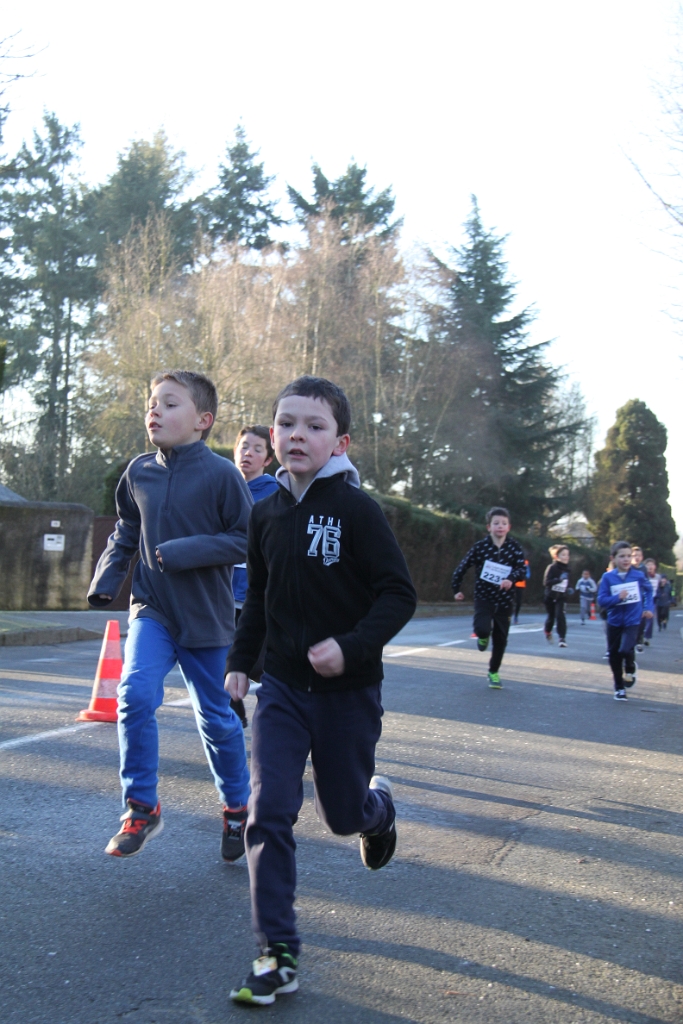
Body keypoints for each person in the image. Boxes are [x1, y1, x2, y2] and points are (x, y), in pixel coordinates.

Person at [225, 376, 416, 1005]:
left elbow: (398, 594)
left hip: (347, 693)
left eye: (314, 425)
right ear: (272, 433)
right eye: (286, 424)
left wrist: (352, 647)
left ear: (341, 442)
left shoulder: (358, 511)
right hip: (281, 689)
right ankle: (276, 952)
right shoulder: (266, 513)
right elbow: (259, 597)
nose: (296, 435)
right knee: (268, 810)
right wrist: (241, 663)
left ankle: (377, 812)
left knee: (341, 815)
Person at [88, 370, 253, 861]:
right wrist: (107, 579)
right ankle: (141, 806)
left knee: (218, 720)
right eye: (152, 403)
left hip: (206, 618)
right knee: (134, 695)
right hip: (153, 610)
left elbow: (247, 540)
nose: (155, 411)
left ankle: (237, 807)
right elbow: (127, 529)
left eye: (170, 403)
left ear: (203, 420)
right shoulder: (139, 472)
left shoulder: (222, 475)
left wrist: (185, 551)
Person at [229, 425, 279, 728]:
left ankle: (281, 718)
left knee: (261, 666)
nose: (248, 453)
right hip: (222, 595)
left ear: (268, 459)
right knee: (225, 663)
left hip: (258, 599)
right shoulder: (223, 486)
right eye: (243, 446)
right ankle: (232, 716)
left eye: (257, 449)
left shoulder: (275, 493)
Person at [451, 507, 526, 688]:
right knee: (482, 628)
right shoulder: (480, 547)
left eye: (504, 523)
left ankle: (493, 672)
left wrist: (511, 579)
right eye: (496, 523)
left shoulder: (514, 547)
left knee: (501, 639)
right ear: (489, 527)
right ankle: (483, 636)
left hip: (505, 600)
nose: (500, 526)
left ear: (509, 527)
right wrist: (456, 589)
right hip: (484, 597)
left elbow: (522, 570)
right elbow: (463, 567)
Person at [597, 541, 654, 701]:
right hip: (614, 621)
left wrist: (648, 608)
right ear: (613, 558)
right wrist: (617, 598)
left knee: (625, 649)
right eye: (622, 556)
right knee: (614, 655)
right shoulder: (608, 577)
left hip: (632, 620)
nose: (626, 559)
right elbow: (602, 600)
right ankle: (619, 688)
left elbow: (649, 591)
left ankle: (630, 666)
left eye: (629, 556)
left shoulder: (638, 575)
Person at [543, 545, 572, 647]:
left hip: (561, 597)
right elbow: (546, 582)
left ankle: (562, 638)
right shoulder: (552, 567)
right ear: (556, 556)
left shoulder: (568, 569)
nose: (566, 557)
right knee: (551, 617)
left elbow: (568, 582)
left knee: (560, 615)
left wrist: (569, 588)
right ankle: (547, 631)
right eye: (563, 555)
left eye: (567, 555)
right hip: (550, 596)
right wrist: (558, 580)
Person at [640, 558, 660, 648]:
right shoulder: (641, 576)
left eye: (651, 565)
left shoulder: (658, 577)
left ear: (655, 567)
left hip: (652, 600)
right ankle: (640, 636)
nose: (650, 567)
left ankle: (647, 637)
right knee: (641, 619)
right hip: (642, 599)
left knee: (650, 619)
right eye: (648, 565)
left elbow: (660, 588)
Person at [512, 559, 530, 624]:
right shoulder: (511, 559)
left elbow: (528, 574)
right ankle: (508, 616)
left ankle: (516, 616)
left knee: (518, 602)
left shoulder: (526, 562)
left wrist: (523, 576)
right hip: (511, 584)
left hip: (520, 585)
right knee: (509, 601)